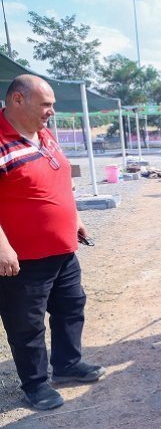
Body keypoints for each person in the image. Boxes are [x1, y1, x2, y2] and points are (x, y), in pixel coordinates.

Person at [0, 75, 105, 410]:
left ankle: (67, 365)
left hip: (63, 251)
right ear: (18, 100)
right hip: (23, 258)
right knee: (27, 324)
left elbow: (57, 182)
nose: (52, 111)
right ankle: (35, 385)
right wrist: (2, 246)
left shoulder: (44, 135)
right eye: (46, 104)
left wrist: (74, 219)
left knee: (71, 307)